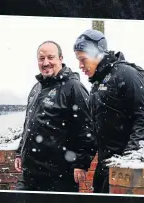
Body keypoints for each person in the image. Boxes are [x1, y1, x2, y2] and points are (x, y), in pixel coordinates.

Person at [73, 29, 144, 193]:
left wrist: (127, 161)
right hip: (104, 167)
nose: (80, 66)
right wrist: (82, 162)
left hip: (122, 168)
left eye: (83, 59)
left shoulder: (127, 74)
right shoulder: (97, 83)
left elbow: (143, 119)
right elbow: (95, 129)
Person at [14, 41, 96, 192]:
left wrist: (81, 163)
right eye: (41, 58)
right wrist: (20, 152)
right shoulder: (37, 88)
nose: (46, 63)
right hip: (30, 176)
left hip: (58, 177)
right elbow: (29, 125)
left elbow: (88, 128)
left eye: (50, 57)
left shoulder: (73, 87)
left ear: (61, 58)